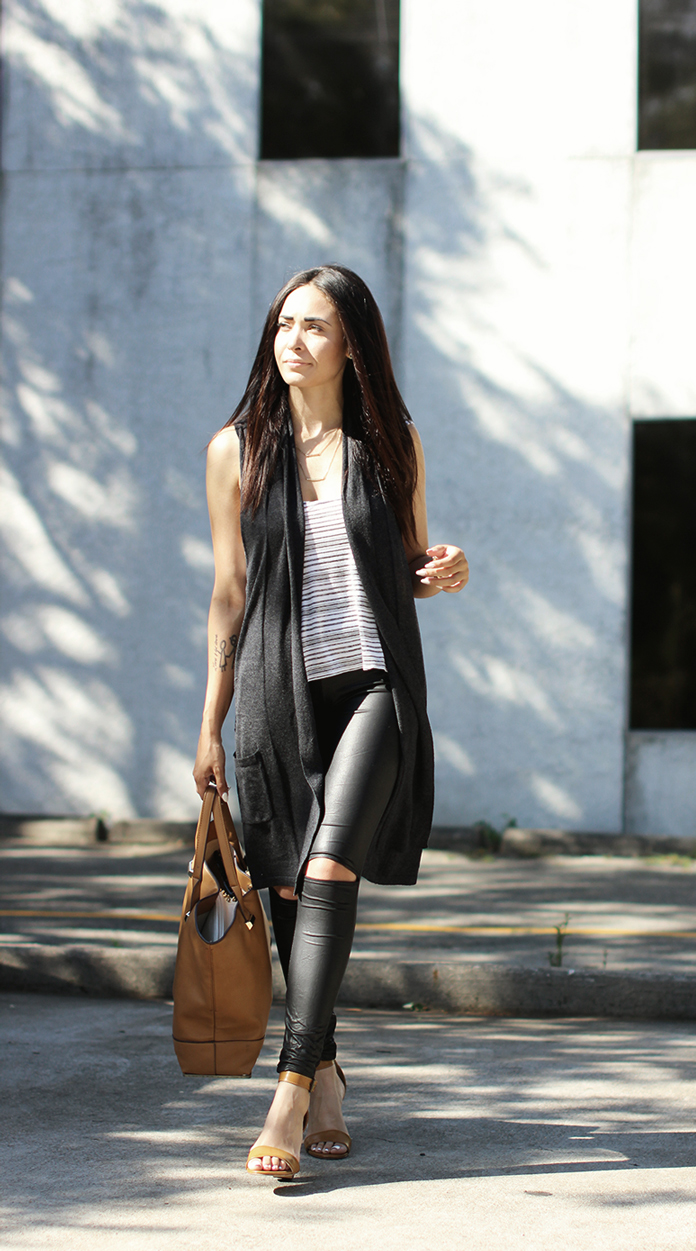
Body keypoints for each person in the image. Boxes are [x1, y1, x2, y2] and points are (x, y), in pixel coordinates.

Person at [192, 265, 469, 1178]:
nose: (292, 341)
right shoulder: (236, 450)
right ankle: (334, 1070)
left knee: (328, 864)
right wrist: (210, 723)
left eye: (314, 327)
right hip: (276, 691)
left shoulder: (390, 444)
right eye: (283, 324)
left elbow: (415, 564)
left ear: (351, 344)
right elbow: (229, 595)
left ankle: (291, 1089)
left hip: (377, 684)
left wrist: (446, 568)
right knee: (284, 885)